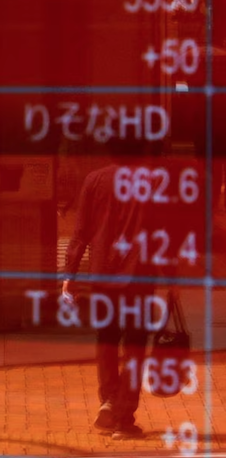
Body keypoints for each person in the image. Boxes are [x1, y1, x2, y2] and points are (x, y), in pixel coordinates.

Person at [62, 161, 158, 440]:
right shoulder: (152, 181)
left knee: (106, 337)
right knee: (135, 344)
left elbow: (81, 230)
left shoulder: (94, 180)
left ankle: (109, 401)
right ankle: (123, 416)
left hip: (103, 273)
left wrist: (70, 272)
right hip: (138, 275)